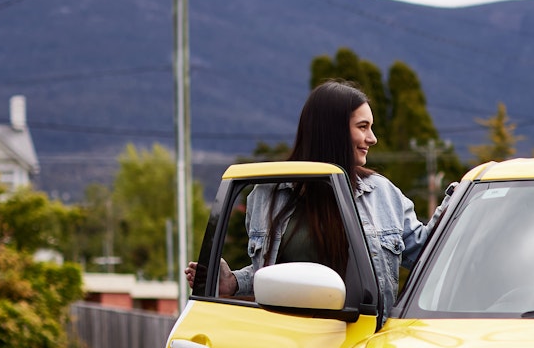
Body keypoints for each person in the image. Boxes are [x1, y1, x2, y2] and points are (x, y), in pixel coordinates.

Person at [185, 80, 432, 309]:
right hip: (288, 341)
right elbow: (276, 273)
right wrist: (234, 283)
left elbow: (429, 255)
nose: (373, 138)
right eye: (362, 127)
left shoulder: (383, 194)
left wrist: (461, 202)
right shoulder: (265, 195)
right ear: (333, 132)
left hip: (363, 344)